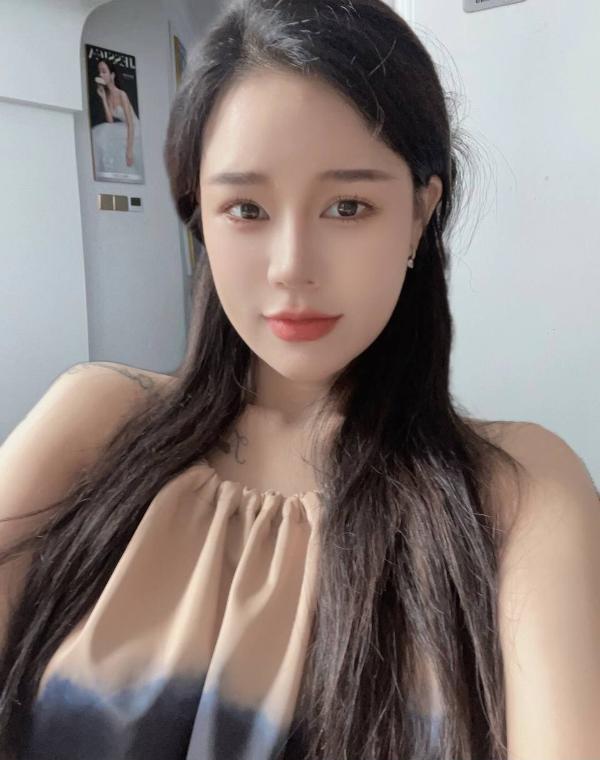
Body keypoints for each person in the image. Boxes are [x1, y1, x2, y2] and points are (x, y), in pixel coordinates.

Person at [1, 1, 598, 758]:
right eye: (246, 208)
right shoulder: (95, 421)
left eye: (347, 206)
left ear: (420, 213)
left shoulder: (519, 491)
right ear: (200, 215)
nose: (291, 267)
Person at [91, 57, 144, 179]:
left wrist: (129, 150)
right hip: (123, 127)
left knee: (101, 133)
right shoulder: (108, 95)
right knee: (98, 132)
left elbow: (131, 124)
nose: (101, 75)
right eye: (99, 72)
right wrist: (103, 98)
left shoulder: (122, 94)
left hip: (134, 128)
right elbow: (110, 121)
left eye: (104, 71)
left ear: (112, 75)